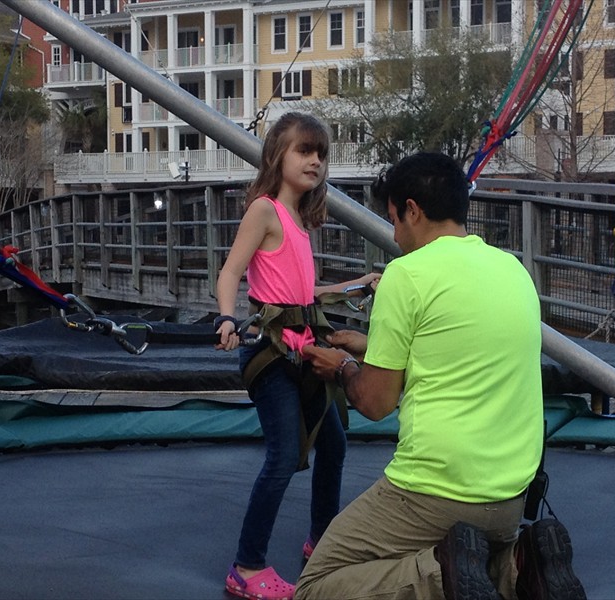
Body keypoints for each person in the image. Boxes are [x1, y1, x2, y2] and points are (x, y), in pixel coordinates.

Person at [297, 152, 585, 600]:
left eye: (394, 219)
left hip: (435, 493)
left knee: (316, 585)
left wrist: (345, 367)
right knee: (469, 559)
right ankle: (518, 568)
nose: (394, 234)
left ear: (413, 209)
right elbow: (455, 352)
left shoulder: (407, 275)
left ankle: (440, 578)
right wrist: (372, 349)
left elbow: (375, 403)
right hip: (509, 499)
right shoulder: (512, 270)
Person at [214, 111, 380, 600]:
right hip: (273, 356)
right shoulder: (264, 210)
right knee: (284, 456)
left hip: (304, 356)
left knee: (333, 446)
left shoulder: (300, 224)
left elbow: (304, 294)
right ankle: (246, 566)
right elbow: (230, 274)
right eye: (304, 151)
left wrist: (357, 284)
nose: (315, 162)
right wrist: (226, 318)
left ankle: (323, 540)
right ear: (276, 157)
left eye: (321, 155)